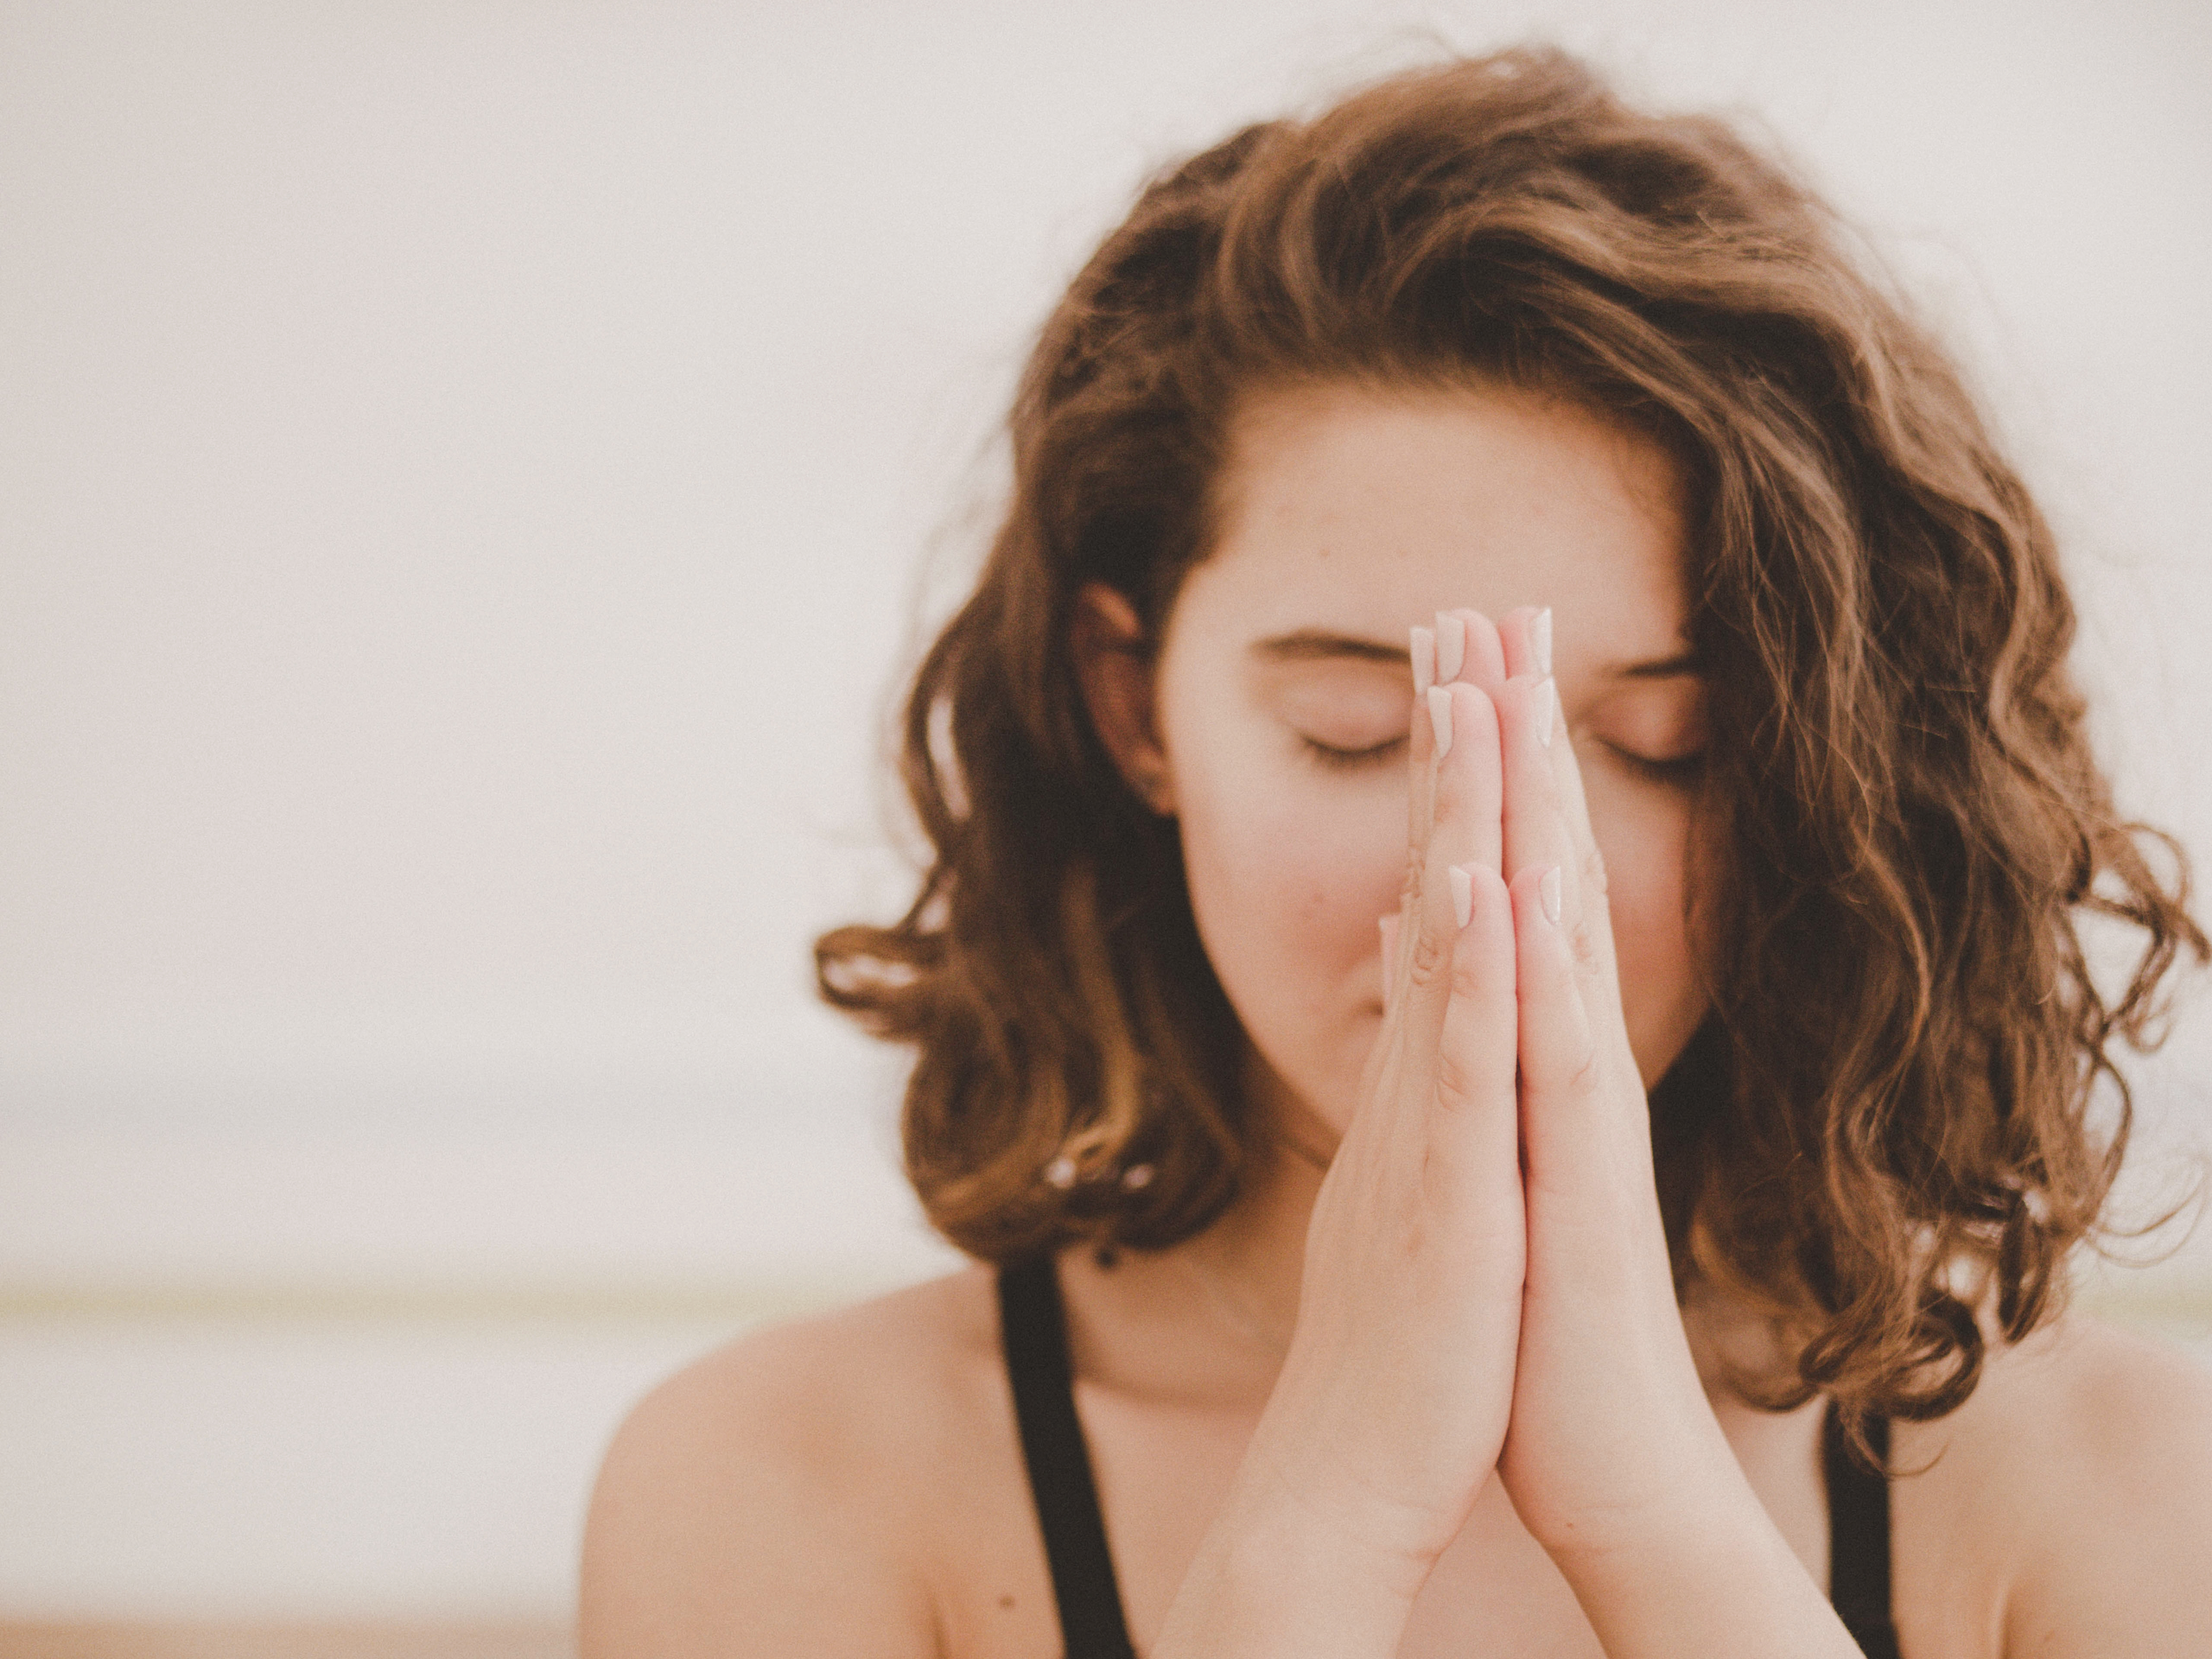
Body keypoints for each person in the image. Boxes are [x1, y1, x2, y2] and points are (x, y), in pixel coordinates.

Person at [578, 46, 2212, 1658]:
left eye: (1665, 749)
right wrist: (1327, 1517)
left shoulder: (2122, 1489)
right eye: (1360, 729)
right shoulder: (777, 1485)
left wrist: (1651, 1513)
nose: (1492, 878)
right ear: (1131, 707)